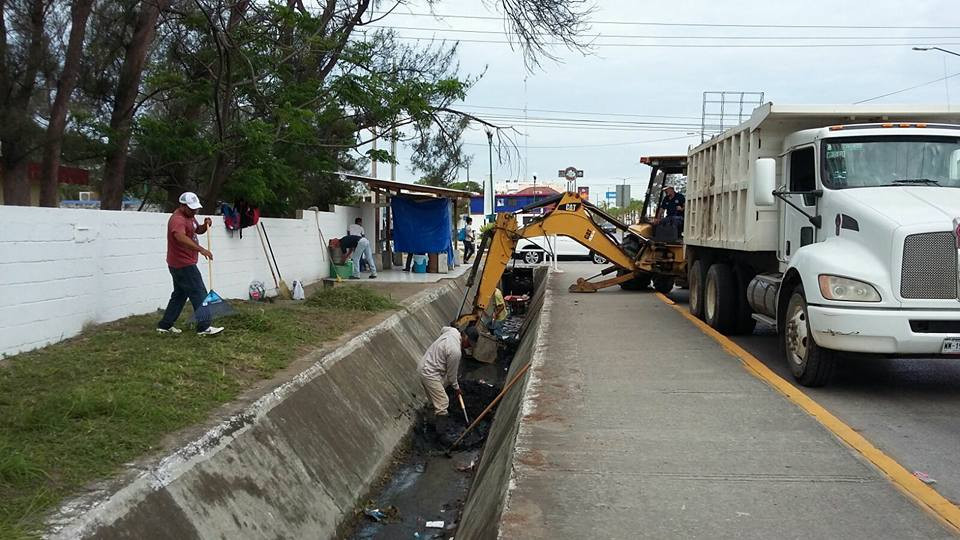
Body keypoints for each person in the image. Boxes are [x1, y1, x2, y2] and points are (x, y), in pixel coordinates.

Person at [157, 192, 224, 336]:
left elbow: (196, 230)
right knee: (199, 292)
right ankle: (204, 327)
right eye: (191, 208)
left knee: (179, 295)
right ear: (182, 206)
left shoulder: (190, 216)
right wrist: (201, 249)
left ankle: (165, 326)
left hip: (180, 263)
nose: (195, 211)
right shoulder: (177, 220)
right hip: (182, 264)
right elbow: (180, 237)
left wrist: (205, 225)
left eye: (196, 208)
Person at [418, 325, 478, 417]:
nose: (468, 347)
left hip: (423, 366)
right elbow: (451, 377)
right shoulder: (455, 352)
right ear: (465, 336)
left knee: (435, 400)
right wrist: (457, 389)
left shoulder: (452, 331)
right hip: (430, 373)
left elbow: (443, 329)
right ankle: (442, 427)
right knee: (443, 402)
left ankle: (429, 419)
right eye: (469, 344)